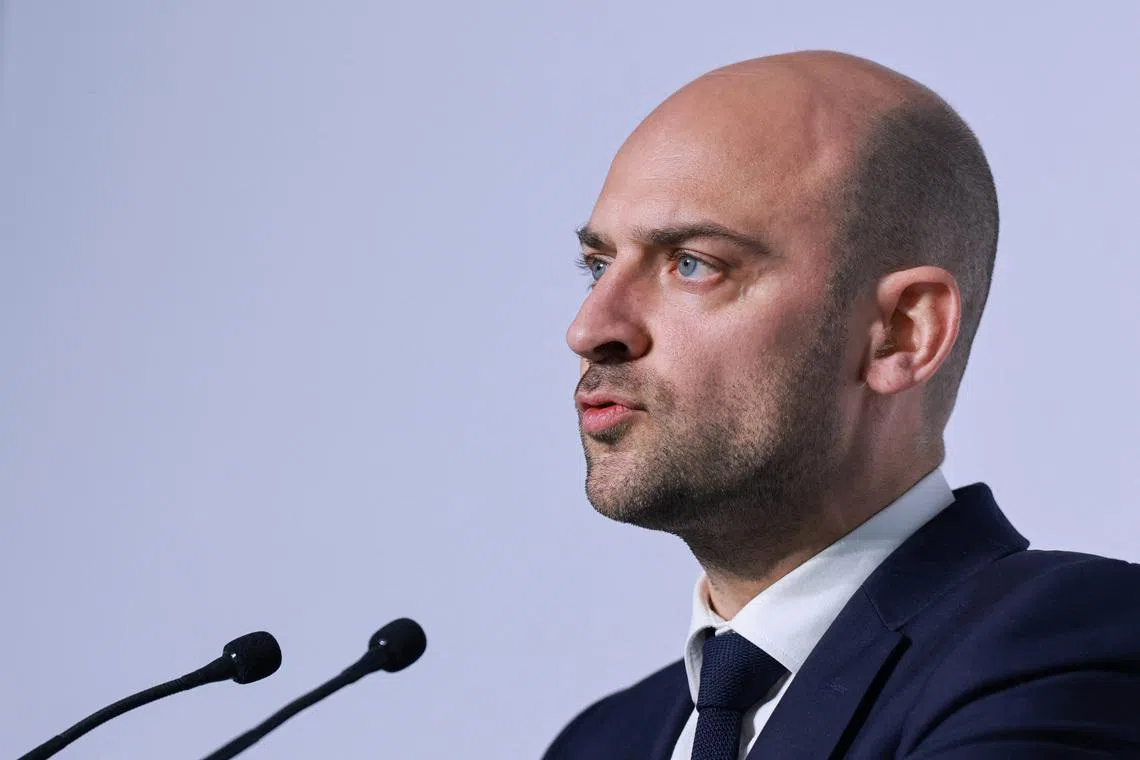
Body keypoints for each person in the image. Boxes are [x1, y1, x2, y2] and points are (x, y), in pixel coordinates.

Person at [544, 50, 1140, 760]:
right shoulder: (599, 742)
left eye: (693, 264)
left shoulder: (1074, 641)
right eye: (598, 265)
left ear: (901, 334)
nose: (589, 329)